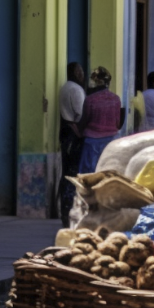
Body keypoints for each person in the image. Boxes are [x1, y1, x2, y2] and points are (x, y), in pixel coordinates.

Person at [78, 67, 125, 174]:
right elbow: (118, 123)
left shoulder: (90, 100)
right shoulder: (116, 99)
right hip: (111, 141)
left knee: (89, 173)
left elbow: (85, 120)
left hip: (91, 143)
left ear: (95, 82)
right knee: (109, 172)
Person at [58, 62, 86, 226]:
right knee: (73, 173)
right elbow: (81, 113)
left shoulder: (66, 87)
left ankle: (65, 210)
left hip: (66, 132)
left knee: (67, 171)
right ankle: (69, 209)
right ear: (73, 73)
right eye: (79, 71)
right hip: (73, 133)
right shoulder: (75, 89)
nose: (81, 74)